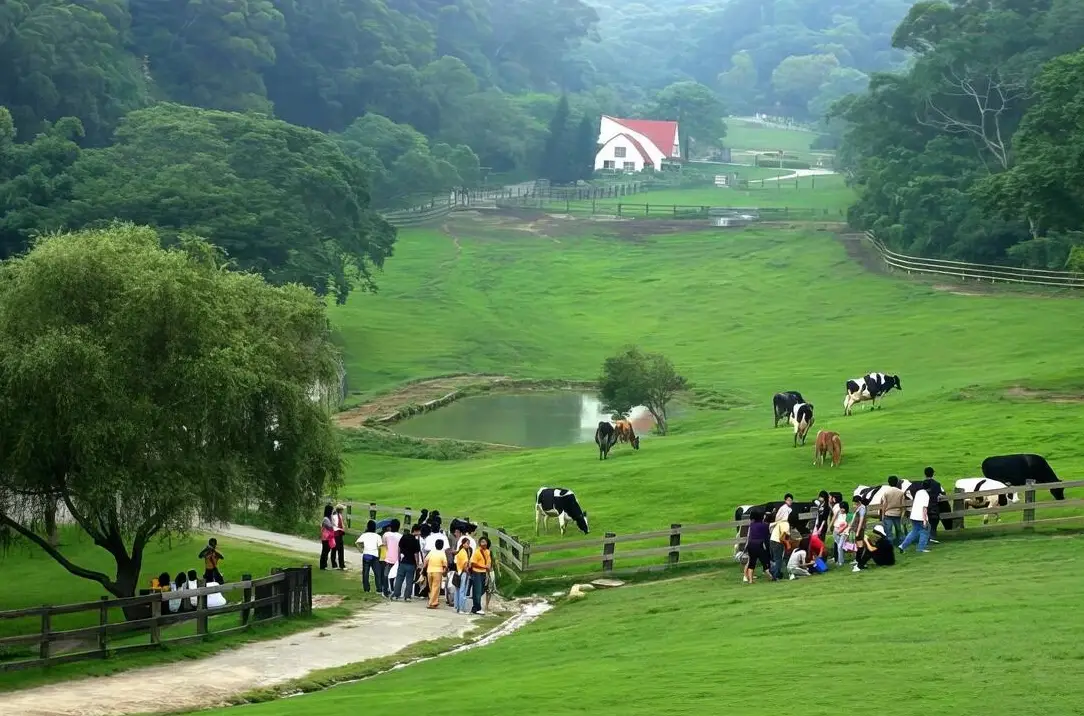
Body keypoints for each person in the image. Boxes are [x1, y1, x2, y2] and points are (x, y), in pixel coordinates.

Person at [899, 481, 932, 553]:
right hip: (920, 516)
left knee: (914, 531)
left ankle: (902, 545)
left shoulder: (918, 492)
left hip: (913, 515)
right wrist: (924, 520)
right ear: (929, 488)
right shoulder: (926, 495)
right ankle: (920, 548)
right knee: (925, 531)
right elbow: (924, 508)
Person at [394, 523, 423, 601]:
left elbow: (399, 548)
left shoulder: (404, 537)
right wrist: (417, 563)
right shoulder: (416, 541)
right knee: (409, 580)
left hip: (403, 561)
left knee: (399, 578)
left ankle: (396, 594)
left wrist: (399, 558)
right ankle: (407, 596)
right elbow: (416, 554)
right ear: (416, 531)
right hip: (411, 563)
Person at [743, 511, 772, 583]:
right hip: (759, 544)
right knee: (764, 562)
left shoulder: (752, 525)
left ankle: (750, 580)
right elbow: (766, 535)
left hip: (751, 544)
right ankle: (771, 577)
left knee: (752, 563)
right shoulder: (765, 525)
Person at [355, 520, 383, 593]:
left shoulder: (364, 535)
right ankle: (379, 589)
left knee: (365, 573)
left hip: (366, 554)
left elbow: (357, 543)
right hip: (375, 556)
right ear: (375, 528)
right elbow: (380, 547)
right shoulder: (378, 536)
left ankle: (366, 589)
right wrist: (379, 556)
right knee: (377, 573)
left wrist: (361, 550)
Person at [879, 477, 907, 546]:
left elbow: (884, 505)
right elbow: (903, 506)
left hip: (888, 514)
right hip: (897, 514)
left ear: (889, 483)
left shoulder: (886, 492)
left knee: (888, 532)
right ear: (897, 482)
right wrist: (902, 515)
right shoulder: (901, 492)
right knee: (899, 530)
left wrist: (882, 516)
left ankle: (889, 546)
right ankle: (902, 545)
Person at [469, 536, 492, 615]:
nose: (483, 543)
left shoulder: (488, 552)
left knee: (483, 589)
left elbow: (488, 561)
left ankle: (475, 607)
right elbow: (473, 563)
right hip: (477, 573)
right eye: (482, 542)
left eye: (484, 542)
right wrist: (484, 566)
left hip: (484, 573)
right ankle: (478, 608)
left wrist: (488, 568)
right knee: (478, 591)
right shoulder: (477, 552)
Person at [424, 538, 448, 609]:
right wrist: (445, 569)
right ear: (442, 546)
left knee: (431, 587)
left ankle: (434, 601)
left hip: (429, 571)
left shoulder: (431, 552)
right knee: (436, 587)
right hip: (437, 571)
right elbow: (445, 563)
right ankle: (432, 603)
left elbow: (426, 560)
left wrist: (424, 568)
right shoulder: (442, 553)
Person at [768, 515, 792, 580]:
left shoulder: (780, 523)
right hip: (777, 542)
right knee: (779, 560)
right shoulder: (786, 524)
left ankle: (773, 572)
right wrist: (787, 543)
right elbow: (781, 537)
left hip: (772, 541)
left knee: (776, 559)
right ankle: (775, 576)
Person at [382, 519, 401, 597]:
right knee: (396, 575)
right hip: (397, 558)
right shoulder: (400, 536)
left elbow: (384, 544)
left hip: (388, 557)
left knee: (386, 574)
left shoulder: (386, 534)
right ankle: (394, 589)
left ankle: (385, 590)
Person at [924, 468, 943, 544]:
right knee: (934, 523)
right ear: (933, 474)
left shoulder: (922, 484)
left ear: (925, 474)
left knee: (925, 523)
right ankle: (932, 537)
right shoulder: (937, 484)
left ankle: (926, 538)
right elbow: (940, 494)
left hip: (924, 506)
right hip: (934, 506)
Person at [453, 537, 472, 614]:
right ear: (463, 544)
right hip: (463, 573)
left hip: (458, 572)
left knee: (457, 590)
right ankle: (461, 608)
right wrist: (468, 572)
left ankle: (457, 607)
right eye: (467, 543)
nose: (468, 545)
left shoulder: (460, 552)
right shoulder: (464, 553)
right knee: (462, 591)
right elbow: (465, 565)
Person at [832, 500, 850, 566]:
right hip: (836, 530)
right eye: (841, 508)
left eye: (843, 508)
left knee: (840, 546)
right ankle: (840, 560)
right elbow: (834, 519)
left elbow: (847, 524)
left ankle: (840, 562)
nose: (841, 509)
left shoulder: (848, 515)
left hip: (844, 532)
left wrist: (841, 531)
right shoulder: (838, 512)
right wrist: (831, 526)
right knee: (839, 546)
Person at [319, 504, 335, 570]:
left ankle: (324, 564)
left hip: (328, 537)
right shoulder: (326, 519)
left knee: (327, 550)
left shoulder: (328, 518)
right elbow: (330, 527)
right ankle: (323, 565)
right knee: (325, 551)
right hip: (325, 537)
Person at [332, 505, 347, 571]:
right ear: (340, 510)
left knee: (341, 549)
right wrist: (340, 529)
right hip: (335, 534)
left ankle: (342, 564)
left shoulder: (340, 516)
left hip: (340, 534)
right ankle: (334, 564)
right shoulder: (335, 516)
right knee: (334, 549)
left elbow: (342, 524)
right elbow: (334, 526)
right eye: (342, 510)